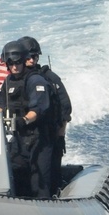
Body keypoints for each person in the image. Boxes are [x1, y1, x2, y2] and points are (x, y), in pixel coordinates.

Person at [0, 39, 53, 198]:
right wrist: (1, 116)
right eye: (10, 63)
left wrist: (23, 120)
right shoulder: (8, 81)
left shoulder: (35, 80)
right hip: (17, 139)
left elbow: (38, 109)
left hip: (38, 139)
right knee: (18, 179)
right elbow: (0, 104)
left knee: (39, 183)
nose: (14, 67)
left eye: (18, 62)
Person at [19, 36, 72, 195]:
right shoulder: (14, 81)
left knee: (47, 180)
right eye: (27, 56)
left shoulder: (49, 78)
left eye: (34, 56)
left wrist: (59, 135)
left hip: (47, 136)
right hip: (21, 138)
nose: (31, 60)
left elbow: (65, 108)